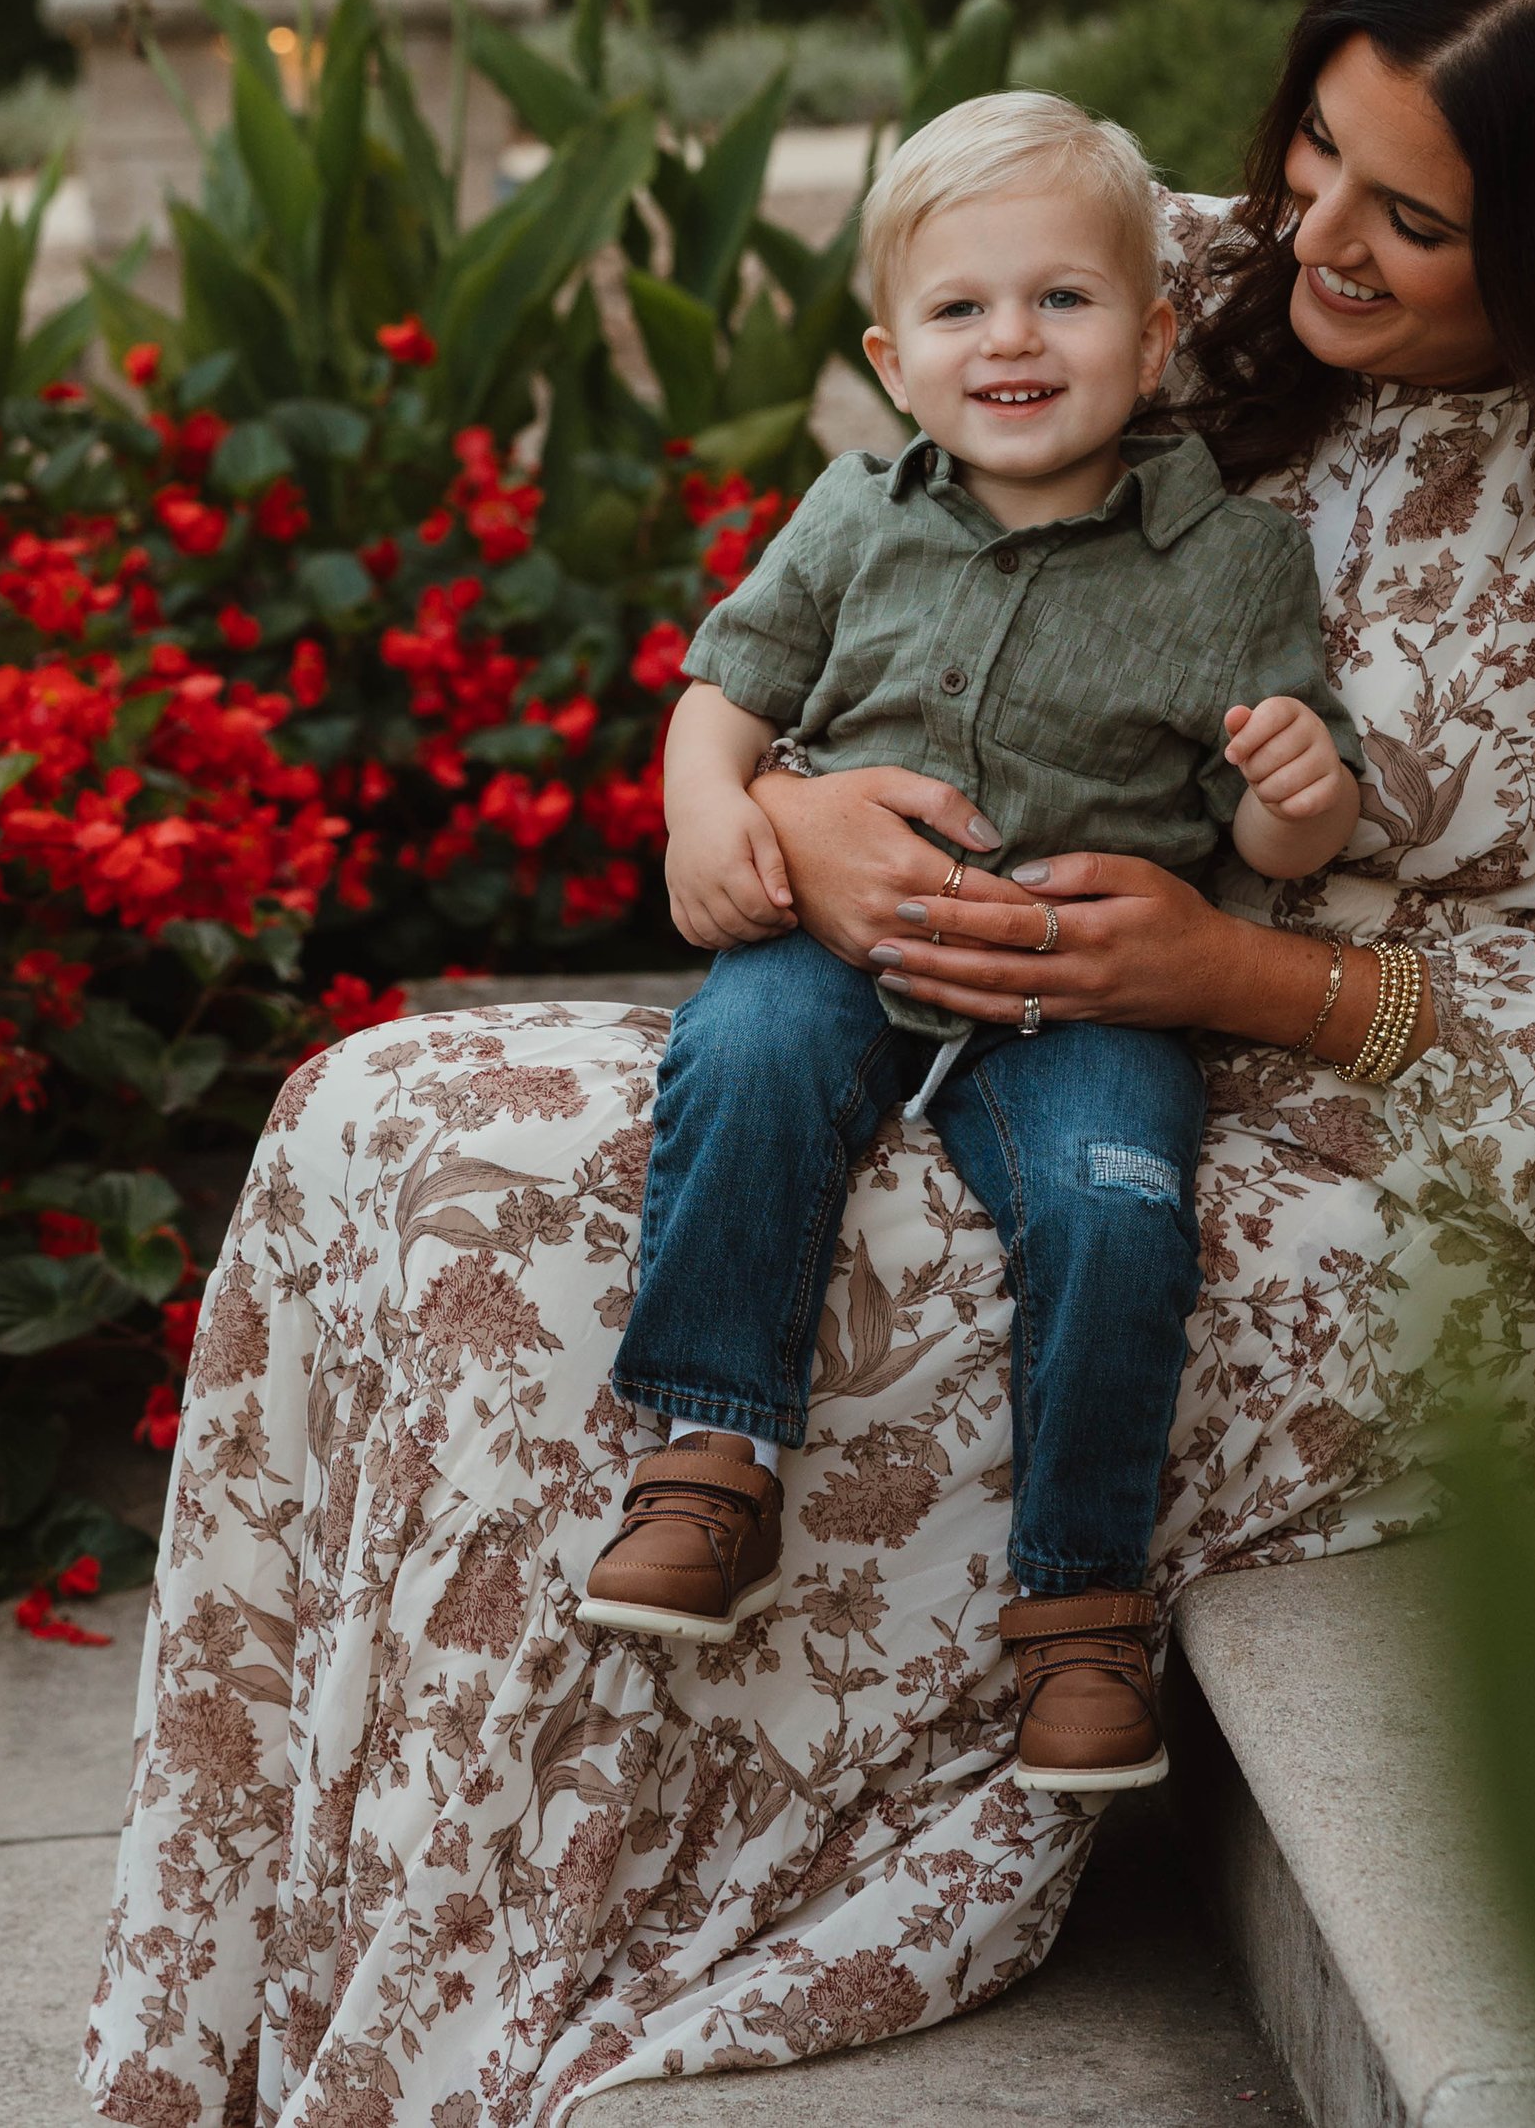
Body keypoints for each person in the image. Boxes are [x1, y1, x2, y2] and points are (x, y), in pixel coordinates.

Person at [86, 0, 1535, 2128]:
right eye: (1310, 148)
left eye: (1405, 216)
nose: (1309, 233)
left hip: (1378, 1178)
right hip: (945, 998)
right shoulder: (1197, 283)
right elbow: (881, 514)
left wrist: (1253, 975)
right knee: (384, 1125)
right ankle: (276, 1974)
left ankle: (486, 1983)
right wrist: (784, 813)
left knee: (529, 1263)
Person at [576, 93, 1365, 1800]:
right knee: (746, 1052)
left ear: (1153, 337)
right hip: (836, 947)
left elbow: (1273, 825)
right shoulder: (859, 513)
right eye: (960, 307)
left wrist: (1298, 794)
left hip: (1090, 987)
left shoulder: (1229, 561)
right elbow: (730, 687)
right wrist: (703, 811)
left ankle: (1081, 1610)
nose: (1012, 336)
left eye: (1064, 299)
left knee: (1115, 1195)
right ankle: (710, 1457)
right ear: (892, 353)